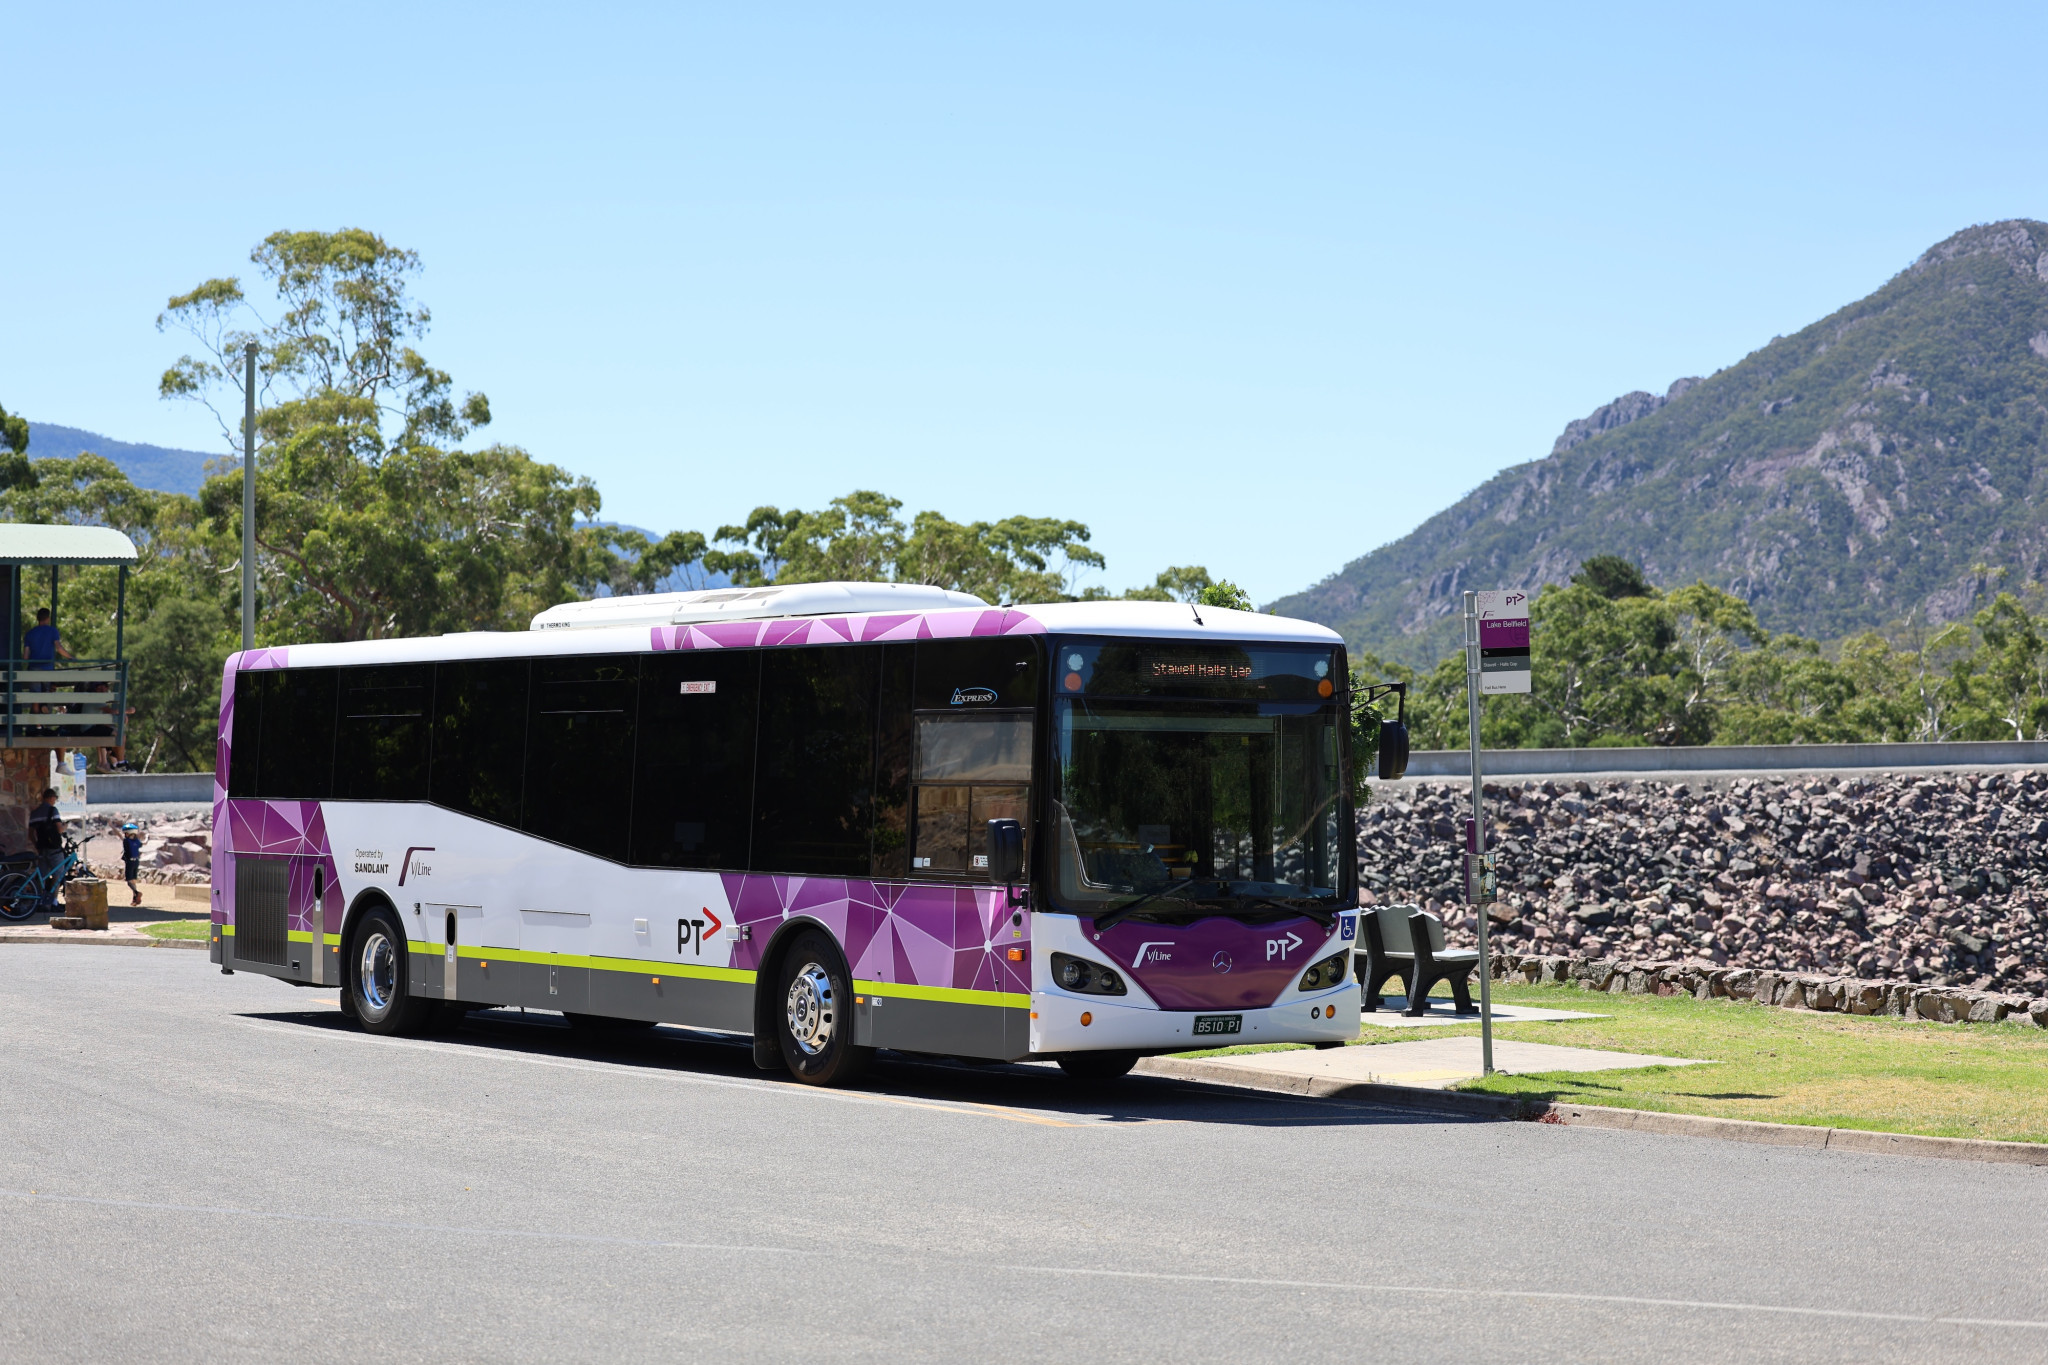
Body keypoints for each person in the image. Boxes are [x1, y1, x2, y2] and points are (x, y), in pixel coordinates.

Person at [27, 786, 62, 911]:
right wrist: (65, 827)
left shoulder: (35, 813)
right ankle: (53, 902)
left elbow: (30, 833)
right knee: (58, 873)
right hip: (54, 848)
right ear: (51, 798)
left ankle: (41, 901)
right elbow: (59, 829)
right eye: (55, 798)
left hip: (42, 848)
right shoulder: (53, 810)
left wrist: (36, 844)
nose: (55, 801)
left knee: (42, 875)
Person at [121, 822, 143, 907]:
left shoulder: (126, 841)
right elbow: (142, 844)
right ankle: (135, 899)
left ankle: (137, 893)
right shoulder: (137, 841)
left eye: (125, 833)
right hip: (136, 861)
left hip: (129, 862)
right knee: (133, 880)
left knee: (129, 881)